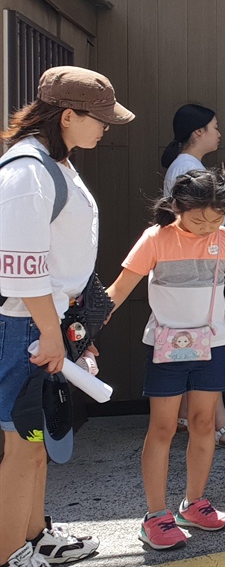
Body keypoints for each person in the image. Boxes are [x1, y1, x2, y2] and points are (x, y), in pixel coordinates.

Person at [0, 66, 132, 567]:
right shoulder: (28, 171)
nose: (105, 127)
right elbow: (21, 267)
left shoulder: (55, 161)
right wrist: (53, 335)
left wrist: (67, 330)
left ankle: (33, 540)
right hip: (26, 329)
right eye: (98, 119)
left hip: (43, 325)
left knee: (36, 443)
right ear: (68, 116)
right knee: (24, 444)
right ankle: (12, 552)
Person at [103, 170, 225, 548]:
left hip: (213, 345)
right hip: (166, 345)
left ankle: (195, 502)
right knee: (164, 428)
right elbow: (118, 290)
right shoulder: (155, 239)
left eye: (216, 219)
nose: (207, 227)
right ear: (177, 208)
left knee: (204, 423)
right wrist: (82, 327)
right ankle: (155, 515)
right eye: (198, 219)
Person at [160, 103, 225, 450]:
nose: (219, 133)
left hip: (188, 268)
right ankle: (219, 420)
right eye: (214, 127)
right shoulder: (187, 166)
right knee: (206, 339)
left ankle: (188, 412)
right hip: (195, 268)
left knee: (196, 342)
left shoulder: (187, 165)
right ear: (198, 133)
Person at [161, 104, 225, 196]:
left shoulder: (185, 164)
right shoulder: (190, 168)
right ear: (199, 131)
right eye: (215, 128)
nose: (219, 134)